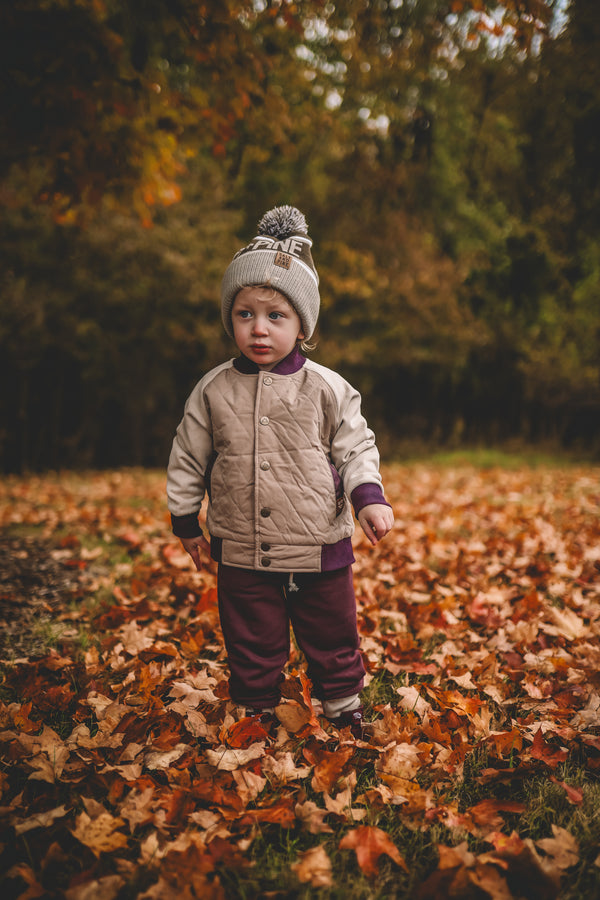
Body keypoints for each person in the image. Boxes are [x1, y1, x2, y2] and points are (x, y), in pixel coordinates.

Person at [167, 205, 394, 738]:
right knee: (251, 638)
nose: (259, 329)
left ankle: (342, 708)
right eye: (245, 314)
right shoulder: (213, 389)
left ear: (302, 324)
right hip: (242, 547)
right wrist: (184, 520)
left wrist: (368, 497)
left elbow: (355, 444)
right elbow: (188, 454)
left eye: (276, 316)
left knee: (333, 633)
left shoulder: (327, 388)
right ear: (230, 320)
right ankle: (256, 711)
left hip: (318, 545)